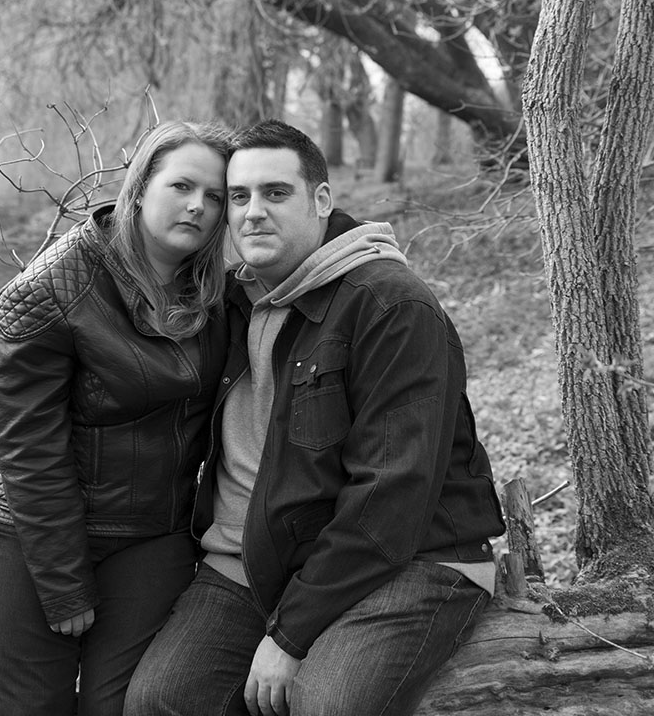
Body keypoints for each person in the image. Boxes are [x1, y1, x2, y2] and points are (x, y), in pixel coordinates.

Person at [123, 119, 506, 716]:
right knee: (160, 703)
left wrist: (291, 634)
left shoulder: (389, 305)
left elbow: (391, 492)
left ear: (321, 200)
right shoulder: (228, 303)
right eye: (240, 197)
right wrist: (8, 475)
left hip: (412, 559)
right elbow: (123, 393)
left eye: (277, 194)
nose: (253, 213)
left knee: (324, 705)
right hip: (257, 558)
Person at [0, 119, 233, 716]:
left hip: (153, 533)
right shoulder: (52, 288)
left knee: (122, 707)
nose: (198, 206)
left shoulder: (218, 294)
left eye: (217, 196)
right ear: (139, 186)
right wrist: (63, 580)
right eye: (181, 186)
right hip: (40, 538)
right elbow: (30, 445)